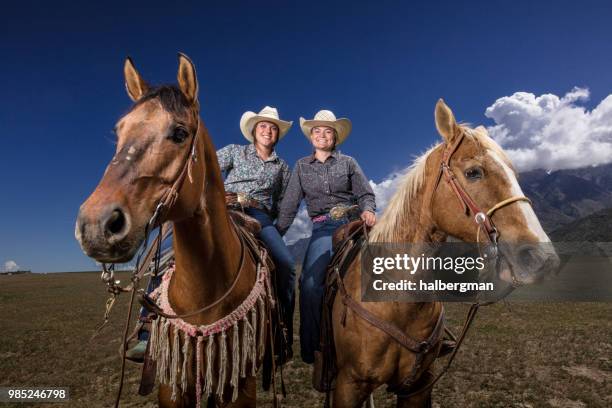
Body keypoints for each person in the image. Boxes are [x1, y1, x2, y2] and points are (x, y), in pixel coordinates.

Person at [126, 106, 296, 363]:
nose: (268, 130)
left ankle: (280, 331)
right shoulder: (234, 152)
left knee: (286, 264)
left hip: (258, 213)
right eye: (263, 126)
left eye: (273, 128)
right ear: (253, 130)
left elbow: (284, 202)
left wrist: (276, 228)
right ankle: (146, 329)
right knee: (165, 250)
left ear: (277, 135)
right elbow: (202, 166)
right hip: (220, 207)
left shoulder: (282, 167)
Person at [275, 110, 376, 366]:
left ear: (335, 136)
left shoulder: (349, 163)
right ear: (311, 137)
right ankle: (315, 348)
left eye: (328, 131)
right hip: (324, 228)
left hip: (355, 223)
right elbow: (288, 207)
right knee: (309, 285)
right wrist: (276, 235)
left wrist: (368, 210)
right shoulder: (301, 167)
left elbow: (366, 193)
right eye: (317, 131)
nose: (322, 135)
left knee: (394, 267)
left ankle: (428, 333)